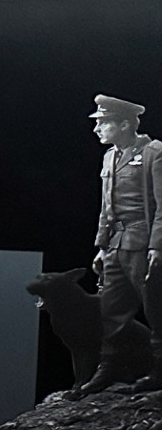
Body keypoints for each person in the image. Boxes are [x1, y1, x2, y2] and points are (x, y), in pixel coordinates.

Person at [83, 93, 162, 395]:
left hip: (142, 244)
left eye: (103, 122)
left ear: (125, 124)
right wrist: (102, 246)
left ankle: (159, 371)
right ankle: (109, 368)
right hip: (116, 244)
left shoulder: (154, 153)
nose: (97, 129)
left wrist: (157, 246)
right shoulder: (110, 157)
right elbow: (107, 207)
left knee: (155, 308)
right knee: (111, 310)